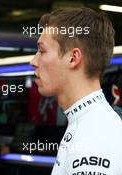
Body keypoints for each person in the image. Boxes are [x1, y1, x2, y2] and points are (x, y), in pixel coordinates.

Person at [30, 7, 122, 175]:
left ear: (73, 58)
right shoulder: (88, 123)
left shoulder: (95, 136)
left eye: (42, 51)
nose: (33, 61)